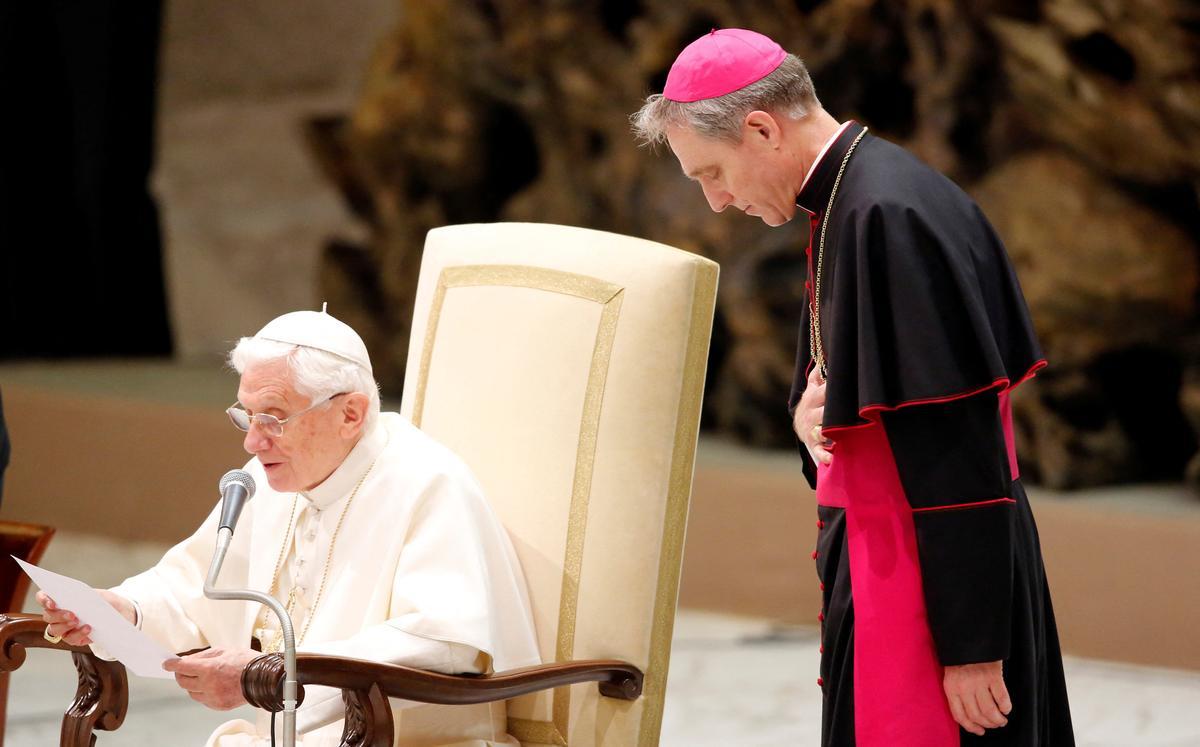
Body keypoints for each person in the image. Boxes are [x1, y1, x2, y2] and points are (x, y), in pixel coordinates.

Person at [632, 28, 1073, 747]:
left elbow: (958, 448)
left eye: (712, 172)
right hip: (887, 559)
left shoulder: (887, 216)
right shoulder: (852, 200)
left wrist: (969, 646)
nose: (716, 201)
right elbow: (861, 392)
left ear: (761, 128)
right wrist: (813, 423)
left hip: (926, 588)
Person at [37, 309, 541, 746]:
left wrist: (270, 677)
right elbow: (194, 586)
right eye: (247, 416)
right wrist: (122, 610)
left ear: (350, 413)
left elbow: (445, 643)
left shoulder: (428, 483)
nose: (252, 444)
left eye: (274, 419)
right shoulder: (270, 480)